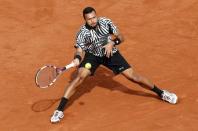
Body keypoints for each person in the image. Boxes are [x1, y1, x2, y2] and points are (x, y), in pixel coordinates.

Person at [50, 7, 178, 123]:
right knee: (80, 76)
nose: (93, 21)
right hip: (93, 55)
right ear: (85, 20)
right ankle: (59, 110)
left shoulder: (106, 22)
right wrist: (77, 58)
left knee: (134, 77)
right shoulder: (82, 33)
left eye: (94, 17)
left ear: (96, 16)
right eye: (89, 19)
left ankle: (161, 93)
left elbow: (121, 37)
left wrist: (112, 43)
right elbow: (79, 50)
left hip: (110, 52)